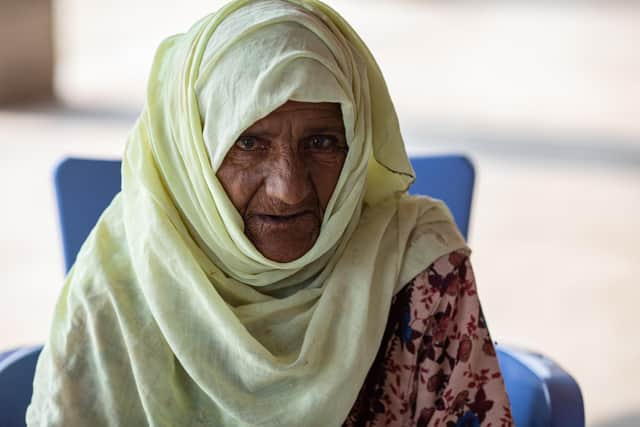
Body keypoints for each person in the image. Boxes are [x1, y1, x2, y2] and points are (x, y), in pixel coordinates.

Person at [27, 0, 513, 425]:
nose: (288, 189)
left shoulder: (418, 265)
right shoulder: (117, 286)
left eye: (321, 143)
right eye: (248, 143)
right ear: (193, 155)